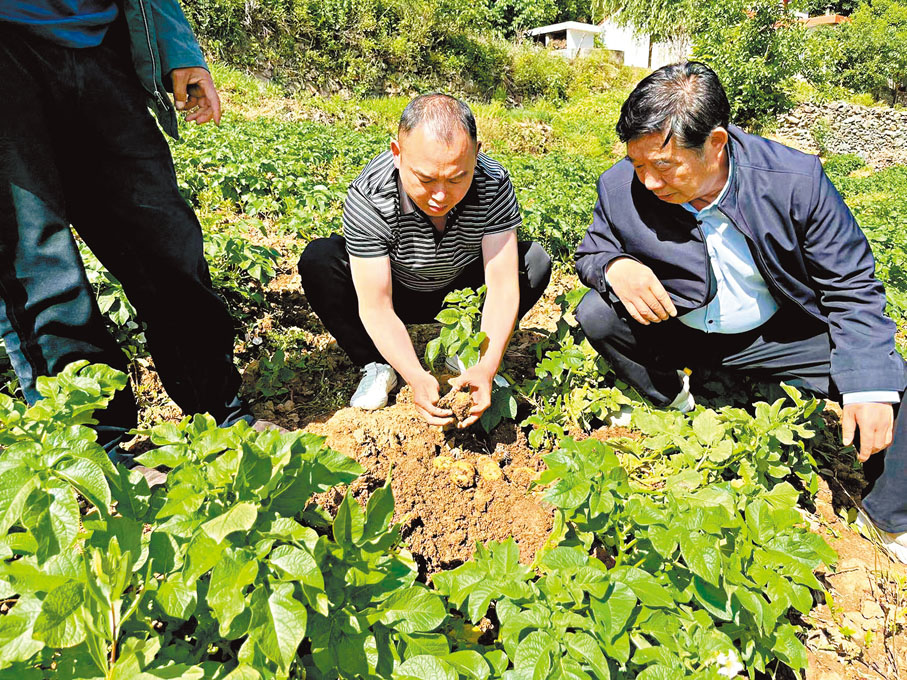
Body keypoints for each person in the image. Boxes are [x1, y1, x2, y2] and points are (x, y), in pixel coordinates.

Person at [574, 62, 907, 561]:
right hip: (682, 328)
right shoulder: (620, 186)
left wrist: (868, 386)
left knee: (888, 380)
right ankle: (674, 397)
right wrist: (616, 264)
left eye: (663, 166)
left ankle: (888, 517)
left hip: (777, 333)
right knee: (597, 312)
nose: (647, 181)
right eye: (637, 164)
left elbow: (851, 283)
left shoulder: (794, 182)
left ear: (716, 144)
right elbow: (592, 250)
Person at [0, 1, 258, 465]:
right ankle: (98, 452)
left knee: (164, 238)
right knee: (38, 260)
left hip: (99, 42)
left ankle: (217, 410)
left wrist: (178, 46)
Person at [299, 94, 552, 428]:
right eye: (426, 179)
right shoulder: (370, 194)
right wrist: (415, 376)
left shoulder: (493, 183)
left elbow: (503, 286)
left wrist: (487, 365)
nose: (440, 195)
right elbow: (376, 305)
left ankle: (467, 350)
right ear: (397, 155)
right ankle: (377, 364)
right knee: (320, 260)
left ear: (476, 154)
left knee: (533, 261)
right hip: (397, 289)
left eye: (457, 178)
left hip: (458, 289)